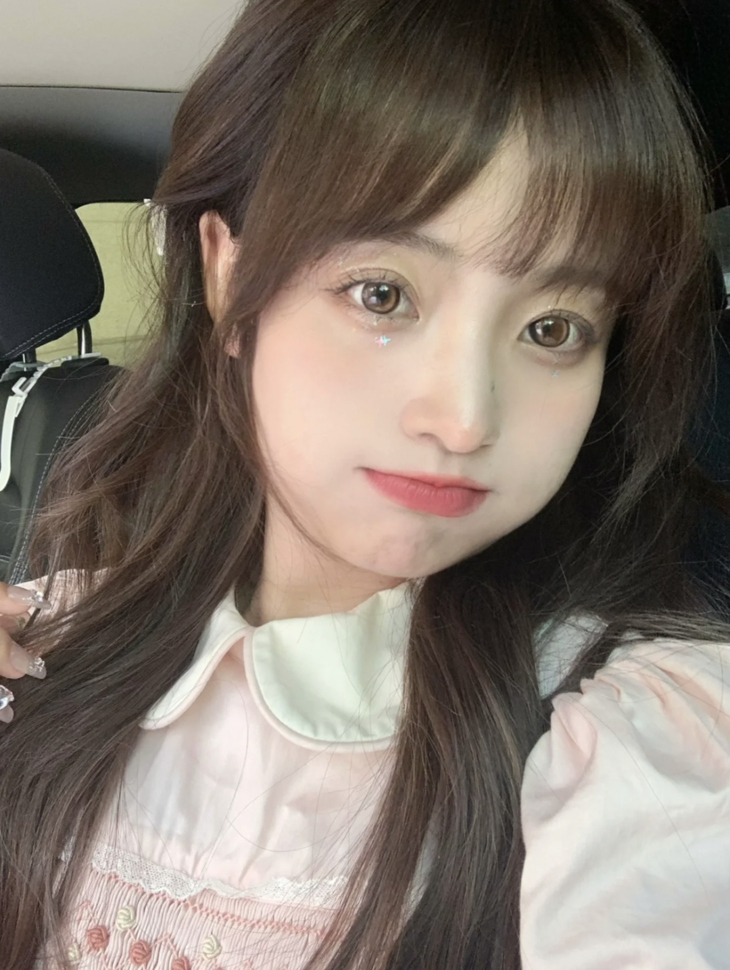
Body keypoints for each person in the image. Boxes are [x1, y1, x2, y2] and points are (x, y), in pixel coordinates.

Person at [1, 0, 729, 967]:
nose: (464, 420)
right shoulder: (45, 643)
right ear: (228, 275)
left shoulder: (636, 742)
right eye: (382, 295)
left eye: (553, 329)